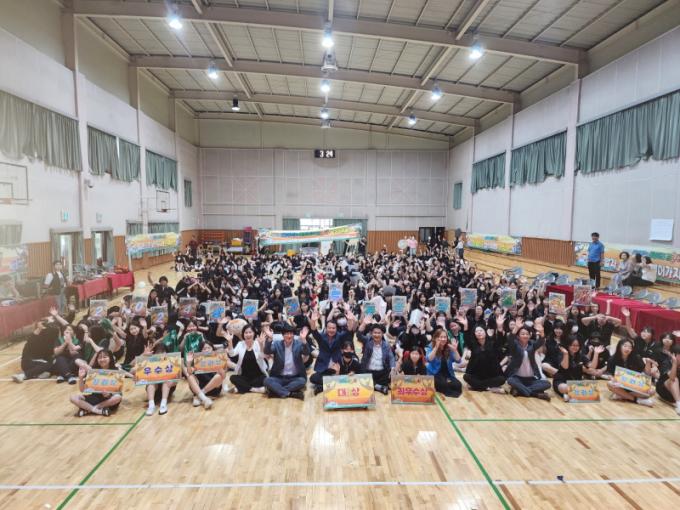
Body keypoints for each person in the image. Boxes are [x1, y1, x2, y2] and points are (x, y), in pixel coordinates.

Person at [309, 308, 356, 394]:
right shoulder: (321, 337)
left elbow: (349, 330)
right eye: (329, 328)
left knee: (347, 377)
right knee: (313, 378)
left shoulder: (339, 336)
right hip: (324, 367)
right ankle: (331, 383)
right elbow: (314, 331)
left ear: (336, 329)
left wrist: (349, 320)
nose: (331, 330)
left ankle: (323, 387)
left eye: (333, 328)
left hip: (337, 366)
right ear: (326, 328)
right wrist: (313, 321)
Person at [263, 323, 310, 400]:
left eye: (291, 334)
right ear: (282, 335)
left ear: (293, 335)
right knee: (267, 380)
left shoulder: (298, 344)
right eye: (287, 334)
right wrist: (270, 338)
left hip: (295, 377)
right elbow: (267, 351)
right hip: (279, 377)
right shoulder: (277, 344)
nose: (289, 336)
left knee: (302, 381)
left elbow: (307, 352)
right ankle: (290, 393)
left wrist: (304, 340)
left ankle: (276, 391)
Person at [69, 349, 122, 417]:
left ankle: (88, 409)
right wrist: (81, 378)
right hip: (93, 398)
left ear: (110, 358)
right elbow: (82, 390)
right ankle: (98, 411)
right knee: (73, 397)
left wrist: (108, 395)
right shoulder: (93, 371)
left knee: (118, 397)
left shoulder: (116, 371)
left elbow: (118, 393)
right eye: (99, 357)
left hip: (107, 401)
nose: (102, 359)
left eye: (105, 357)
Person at [505, 324, 551, 401]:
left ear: (530, 335)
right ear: (518, 336)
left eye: (527, 334)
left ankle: (520, 391)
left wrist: (542, 332)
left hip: (531, 379)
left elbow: (541, 341)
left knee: (547, 384)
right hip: (517, 378)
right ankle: (535, 394)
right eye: (522, 334)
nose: (525, 336)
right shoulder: (515, 345)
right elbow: (510, 339)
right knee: (510, 380)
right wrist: (516, 328)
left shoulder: (532, 344)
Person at [606, 338, 655, 406]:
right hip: (620, 385)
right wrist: (612, 379)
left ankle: (622, 395)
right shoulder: (612, 359)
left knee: (652, 391)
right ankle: (637, 400)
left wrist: (648, 362)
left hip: (633, 386)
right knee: (610, 384)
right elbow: (609, 373)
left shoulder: (636, 358)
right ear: (619, 346)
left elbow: (647, 374)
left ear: (632, 349)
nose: (627, 349)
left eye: (630, 347)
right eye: (625, 346)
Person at [553, 337, 603, 402]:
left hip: (575, 383)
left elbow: (592, 366)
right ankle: (574, 395)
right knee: (565, 388)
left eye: (577, 346)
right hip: (561, 381)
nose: (575, 347)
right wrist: (566, 354)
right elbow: (565, 367)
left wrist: (596, 353)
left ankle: (569, 396)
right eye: (573, 345)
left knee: (593, 389)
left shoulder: (581, 356)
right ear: (568, 345)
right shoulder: (562, 354)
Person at [226, 324, 268, 394]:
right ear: (243, 334)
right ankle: (254, 389)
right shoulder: (240, 344)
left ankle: (241, 388)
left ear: (254, 333)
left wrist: (261, 344)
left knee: (265, 379)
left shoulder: (258, 343)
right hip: (244, 376)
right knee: (232, 378)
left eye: (250, 332)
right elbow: (232, 354)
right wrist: (230, 341)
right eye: (246, 332)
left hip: (258, 376)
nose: (248, 334)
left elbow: (262, 356)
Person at [12, 318, 56, 382]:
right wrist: (39, 328)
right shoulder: (33, 338)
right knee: (48, 364)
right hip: (28, 362)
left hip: (39, 362)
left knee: (54, 361)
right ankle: (23, 375)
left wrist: (51, 321)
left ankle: (38, 374)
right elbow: (32, 338)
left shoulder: (48, 338)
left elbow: (55, 330)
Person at [463, 326, 505, 393]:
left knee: (502, 379)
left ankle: (477, 386)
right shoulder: (473, 345)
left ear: (485, 332)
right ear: (474, 334)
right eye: (476, 331)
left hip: (491, 375)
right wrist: (465, 327)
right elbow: (466, 339)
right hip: (477, 375)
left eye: (481, 330)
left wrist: (499, 330)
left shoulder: (492, 343)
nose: (479, 332)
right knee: (466, 376)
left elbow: (500, 342)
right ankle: (489, 388)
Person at [357, 321, 395, 394]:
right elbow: (359, 335)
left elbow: (391, 357)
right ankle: (378, 386)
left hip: (381, 373)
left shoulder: (386, 345)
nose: (376, 335)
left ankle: (375, 386)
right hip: (368, 372)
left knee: (390, 376)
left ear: (382, 334)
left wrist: (393, 368)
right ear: (371, 333)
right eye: (375, 333)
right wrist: (364, 324)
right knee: (363, 382)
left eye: (379, 333)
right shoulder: (367, 341)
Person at [426, 328, 462, 397]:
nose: (443, 339)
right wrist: (436, 348)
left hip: (448, 373)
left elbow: (458, 360)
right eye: (441, 337)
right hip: (435, 373)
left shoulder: (449, 346)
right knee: (443, 385)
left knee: (458, 385)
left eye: (445, 337)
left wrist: (455, 350)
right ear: (436, 338)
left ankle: (445, 385)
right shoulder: (431, 346)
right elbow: (429, 359)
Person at [656, 343, 680, 415]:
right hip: (664, 390)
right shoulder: (667, 362)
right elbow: (672, 378)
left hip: (676, 393)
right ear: (673, 355)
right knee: (674, 380)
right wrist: (675, 363)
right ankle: (679, 405)